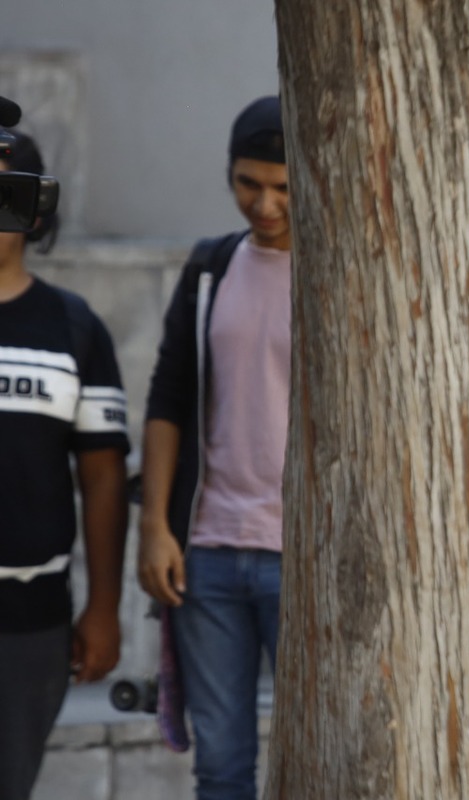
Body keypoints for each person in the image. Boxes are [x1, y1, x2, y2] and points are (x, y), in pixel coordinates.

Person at [136, 95, 290, 800]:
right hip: (208, 555)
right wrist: (156, 526)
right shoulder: (209, 268)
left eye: (283, 187)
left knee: (322, 756)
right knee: (220, 769)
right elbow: (168, 399)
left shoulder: (343, 277)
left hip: (306, 561)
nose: (263, 204)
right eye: (247, 183)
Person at [0, 127, 129, 800]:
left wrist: (104, 607)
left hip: (28, 620)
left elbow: (103, 476)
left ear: (35, 208)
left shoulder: (72, 328)